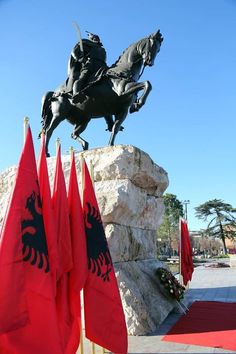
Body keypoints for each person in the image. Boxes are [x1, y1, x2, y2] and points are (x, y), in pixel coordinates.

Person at [66, 31, 107, 103]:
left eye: (97, 38)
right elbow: (74, 51)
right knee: (82, 78)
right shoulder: (87, 44)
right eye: (94, 38)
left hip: (102, 66)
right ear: (91, 39)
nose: (96, 39)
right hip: (91, 64)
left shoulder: (102, 49)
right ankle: (76, 94)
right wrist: (79, 58)